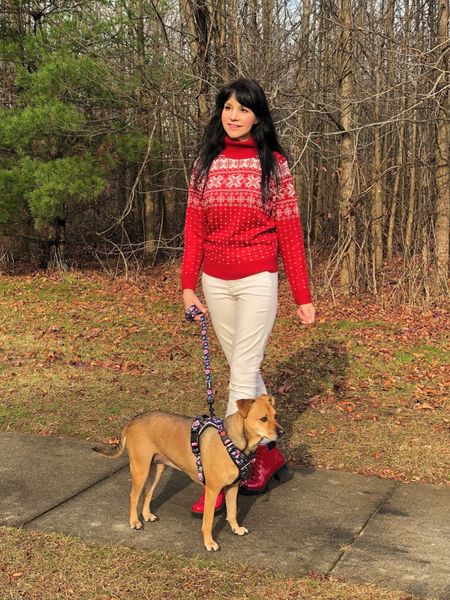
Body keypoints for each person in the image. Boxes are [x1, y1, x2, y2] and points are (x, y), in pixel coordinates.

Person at [181, 78, 315, 516]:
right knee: (246, 370)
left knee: (240, 375)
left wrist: (302, 295)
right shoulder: (205, 163)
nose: (233, 116)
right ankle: (269, 454)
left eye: (243, 109)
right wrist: (188, 286)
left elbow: (290, 232)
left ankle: (220, 471)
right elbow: (194, 229)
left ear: (258, 116)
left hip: (259, 278)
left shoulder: (274, 165)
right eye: (227, 107)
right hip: (215, 282)